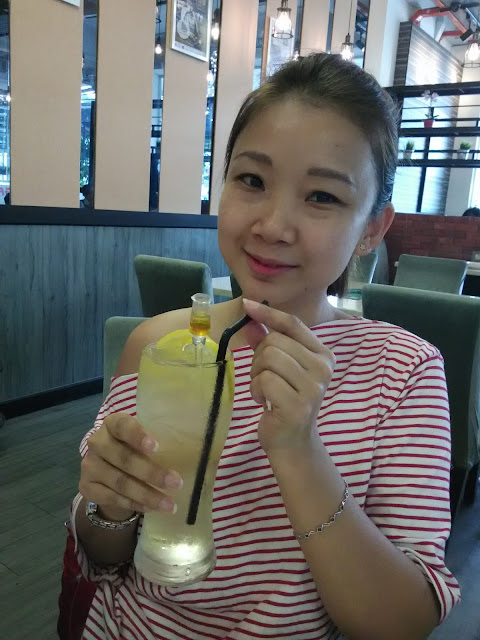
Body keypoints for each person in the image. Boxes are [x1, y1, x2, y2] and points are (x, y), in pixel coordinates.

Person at [60, 53, 460, 640]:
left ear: (372, 229)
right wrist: (109, 506)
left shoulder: (402, 371)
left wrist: (299, 449)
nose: (273, 225)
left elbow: (402, 621)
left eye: (322, 196)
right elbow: (102, 554)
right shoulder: (157, 345)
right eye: (251, 180)